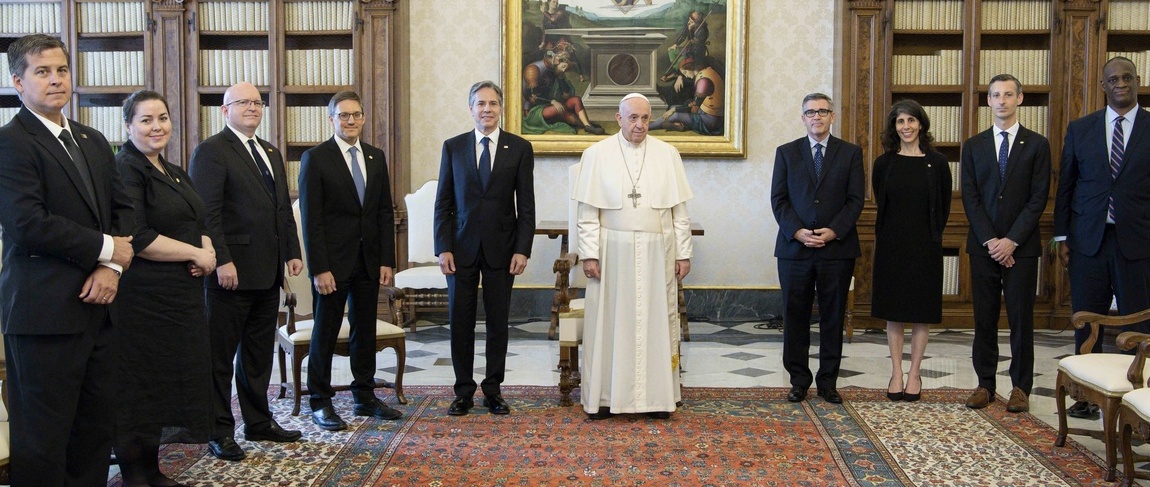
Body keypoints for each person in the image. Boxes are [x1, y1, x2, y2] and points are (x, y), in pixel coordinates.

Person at [0, 33, 134, 486]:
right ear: (17, 81)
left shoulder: (93, 140)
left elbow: (123, 215)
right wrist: (105, 248)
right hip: (44, 316)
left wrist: (110, 266)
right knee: (43, 440)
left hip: (101, 309)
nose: (56, 80)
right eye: (43, 71)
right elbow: (26, 224)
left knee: (94, 433)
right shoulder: (10, 142)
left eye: (61, 70)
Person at [189, 81, 304, 461]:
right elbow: (207, 213)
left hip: (267, 272)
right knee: (219, 358)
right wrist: (222, 259)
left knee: (258, 355)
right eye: (244, 102)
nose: (253, 108)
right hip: (230, 273)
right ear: (225, 110)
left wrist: (292, 251)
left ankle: (258, 422)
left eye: (257, 102)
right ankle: (218, 430)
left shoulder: (270, 151)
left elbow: (282, 208)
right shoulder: (211, 151)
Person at [114, 90, 217, 486]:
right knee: (140, 388)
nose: (156, 126)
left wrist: (205, 247)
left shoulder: (173, 170)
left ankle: (152, 471)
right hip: (144, 300)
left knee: (164, 386)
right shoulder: (126, 168)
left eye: (162, 118)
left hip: (180, 300)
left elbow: (199, 218)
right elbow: (138, 236)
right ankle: (134, 476)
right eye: (145, 120)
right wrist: (195, 251)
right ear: (128, 126)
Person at [574, 93, 694, 420]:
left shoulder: (667, 155)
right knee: (610, 325)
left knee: (655, 322)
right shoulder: (596, 154)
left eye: (644, 118)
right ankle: (603, 397)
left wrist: (683, 253)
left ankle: (657, 399)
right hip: (612, 252)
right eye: (633, 118)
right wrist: (589, 255)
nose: (639, 125)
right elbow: (587, 213)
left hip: (658, 252)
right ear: (619, 118)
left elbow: (679, 212)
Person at [1054, 56, 1150, 420]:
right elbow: (1067, 185)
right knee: (1086, 317)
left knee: (1137, 320)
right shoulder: (1081, 128)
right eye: (1114, 79)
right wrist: (1062, 236)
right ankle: (1085, 395)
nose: (1121, 84)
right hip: (1088, 239)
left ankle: (1134, 393)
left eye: (1127, 78)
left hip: (1138, 241)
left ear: (1137, 82)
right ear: (1103, 86)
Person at [298, 91, 401, 430]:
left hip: (369, 261)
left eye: (356, 114)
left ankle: (364, 396)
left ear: (364, 118)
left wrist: (387, 259)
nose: (351, 120)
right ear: (332, 120)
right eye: (344, 115)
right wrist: (319, 268)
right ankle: (321, 401)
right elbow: (311, 220)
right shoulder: (316, 158)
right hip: (332, 264)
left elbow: (384, 212)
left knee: (364, 330)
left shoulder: (375, 156)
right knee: (325, 332)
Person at [435, 81, 536, 416]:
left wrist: (523, 249)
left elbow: (527, 206)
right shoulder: (453, 147)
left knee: (497, 322)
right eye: (480, 103)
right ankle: (463, 391)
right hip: (460, 249)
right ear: (471, 109)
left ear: (501, 108)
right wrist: (442, 248)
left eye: (493, 103)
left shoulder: (519, 148)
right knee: (459, 322)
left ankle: (493, 389)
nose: (487, 109)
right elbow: (443, 204)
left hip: (502, 250)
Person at [960, 74, 1051, 414]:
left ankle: (1020, 387)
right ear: (989, 102)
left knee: (1020, 319)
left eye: (1008, 94)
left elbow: (1038, 198)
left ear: (1020, 99)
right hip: (983, 247)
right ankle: (985, 384)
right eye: (995, 95)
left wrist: (1011, 241)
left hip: (1022, 248)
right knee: (984, 318)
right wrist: (992, 241)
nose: (1001, 101)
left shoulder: (1037, 144)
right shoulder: (974, 145)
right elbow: (970, 197)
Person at [770, 93, 864, 405]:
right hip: (794, 250)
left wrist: (833, 231)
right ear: (803, 118)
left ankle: (828, 382)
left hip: (836, 249)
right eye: (810, 112)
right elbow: (779, 200)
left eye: (822, 111)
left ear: (832, 116)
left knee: (832, 316)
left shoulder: (850, 154)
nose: (817, 117)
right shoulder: (786, 153)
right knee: (794, 315)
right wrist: (797, 232)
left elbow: (855, 200)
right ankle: (798, 381)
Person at [872, 99, 952, 403]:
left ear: (921, 124)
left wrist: (929, 235)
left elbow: (943, 207)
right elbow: (882, 201)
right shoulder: (884, 163)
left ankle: (915, 373)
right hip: (893, 244)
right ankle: (896, 372)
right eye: (900, 121)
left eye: (911, 120)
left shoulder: (938, 163)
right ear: (894, 127)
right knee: (894, 312)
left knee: (921, 313)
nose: (906, 127)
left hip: (925, 245)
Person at [650, 56, 724, 135]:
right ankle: (681, 125)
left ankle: (649, 127)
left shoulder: (703, 81)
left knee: (675, 114)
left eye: (685, 73)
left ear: (691, 68)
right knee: (673, 108)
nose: (685, 76)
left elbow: (694, 108)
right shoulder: (706, 71)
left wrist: (675, 110)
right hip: (705, 112)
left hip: (711, 120)